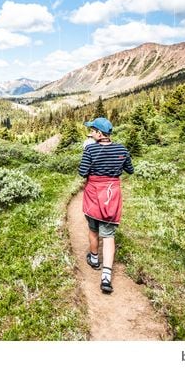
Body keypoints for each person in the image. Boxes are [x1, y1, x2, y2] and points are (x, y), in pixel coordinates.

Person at [78, 117, 133, 294]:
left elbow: (82, 172)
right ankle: (106, 277)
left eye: (92, 130)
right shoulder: (122, 149)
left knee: (93, 230)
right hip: (111, 194)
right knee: (108, 235)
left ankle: (94, 259)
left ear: (99, 134)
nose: (90, 133)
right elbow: (130, 170)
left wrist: (87, 151)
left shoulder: (90, 149)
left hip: (94, 194)